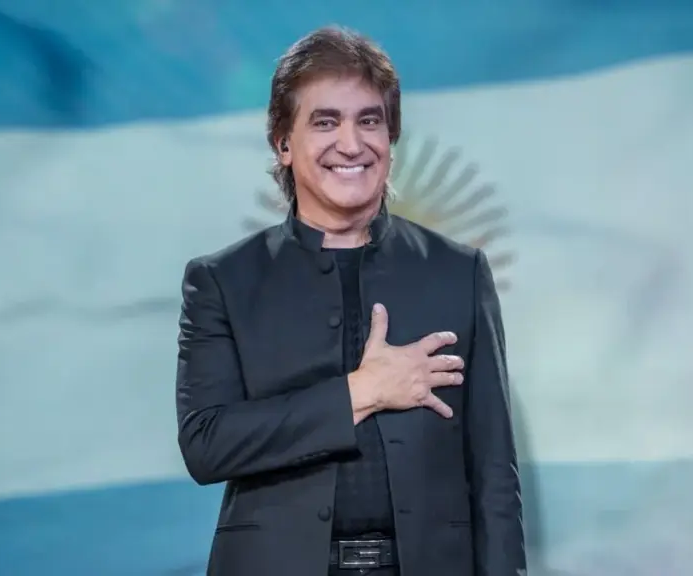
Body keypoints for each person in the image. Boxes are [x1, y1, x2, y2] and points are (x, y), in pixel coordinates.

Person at [175, 25, 525, 576]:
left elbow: (495, 473)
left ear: (390, 138)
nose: (351, 143)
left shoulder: (460, 272)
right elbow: (207, 444)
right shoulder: (222, 281)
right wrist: (362, 391)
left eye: (369, 120)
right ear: (283, 144)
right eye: (325, 122)